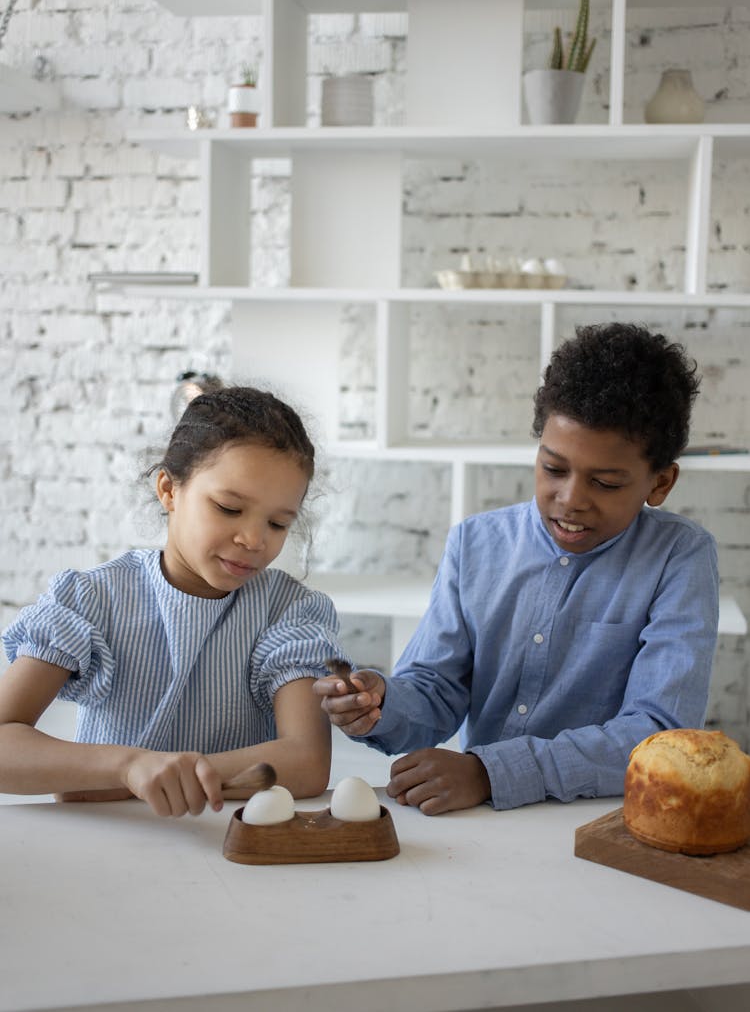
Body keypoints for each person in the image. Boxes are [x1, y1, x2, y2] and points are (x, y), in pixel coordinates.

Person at [314, 322, 720, 816]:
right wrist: (382, 704)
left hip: (601, 820)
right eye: (553, 469)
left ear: (660, 483)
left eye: (606, 483)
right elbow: (437, 690)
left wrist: (492, 772)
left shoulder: (680, 557)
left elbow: (658, 733)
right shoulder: (476, 543)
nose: (571, 500)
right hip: (483, 819)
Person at [0, 386, 345, 818]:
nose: (254, 540)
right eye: (228, 508)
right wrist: (127, 768)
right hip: (109, 844)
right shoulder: (92, 600)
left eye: (278, 523)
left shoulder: (287, 610)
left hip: (231, 843)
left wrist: (130, 781)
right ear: (168, 489)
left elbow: (307, 762)